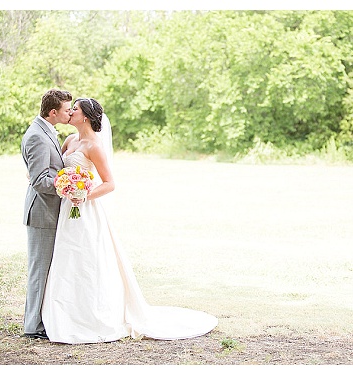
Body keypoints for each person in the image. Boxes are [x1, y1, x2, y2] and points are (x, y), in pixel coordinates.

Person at [41, 98, 218, 344]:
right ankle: (65, 313)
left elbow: (109, 183)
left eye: (76, 110)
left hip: (86, 209)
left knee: (87, 258)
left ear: (87, 117)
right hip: (67, 209)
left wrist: (83, 194)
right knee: (67, 257)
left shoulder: (94, 145)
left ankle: (92, 316)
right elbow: (61, 171)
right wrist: (64, 184)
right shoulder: (70, 141)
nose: (70, 112)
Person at [21, 89, 73, 340]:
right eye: (66, 110)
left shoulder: (44, 131)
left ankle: (43, 319)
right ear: (53, 112)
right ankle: (32, 326)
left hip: (50, 212)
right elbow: (40, 180)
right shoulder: (37, 137)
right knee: (39, 269)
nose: (70, 113)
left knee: (46, 269)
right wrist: (69, 184)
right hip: (42, 213)